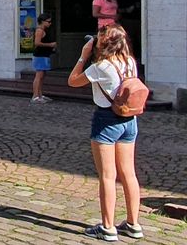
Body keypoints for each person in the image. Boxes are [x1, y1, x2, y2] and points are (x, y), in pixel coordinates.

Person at [67, 24, 144, 241]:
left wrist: (83, 56)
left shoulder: (101, 66)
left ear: (103, 42)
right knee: (129, 173)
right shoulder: (130, 63)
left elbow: (73, 81)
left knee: (108, 176)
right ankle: (133, 224)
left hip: (106, 120)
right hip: (130, 119)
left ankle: (108, 227)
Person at [31, 14, 57, 103]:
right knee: (39, 76)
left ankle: (40, 94)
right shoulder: (40, 30)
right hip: (40, 55)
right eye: (48, 22)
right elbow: (37, 43)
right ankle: (35, 96)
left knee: (42, 76)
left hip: (44, 55)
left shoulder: (44, 30)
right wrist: (50, 45)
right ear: (43, 21)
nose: (50, 23)